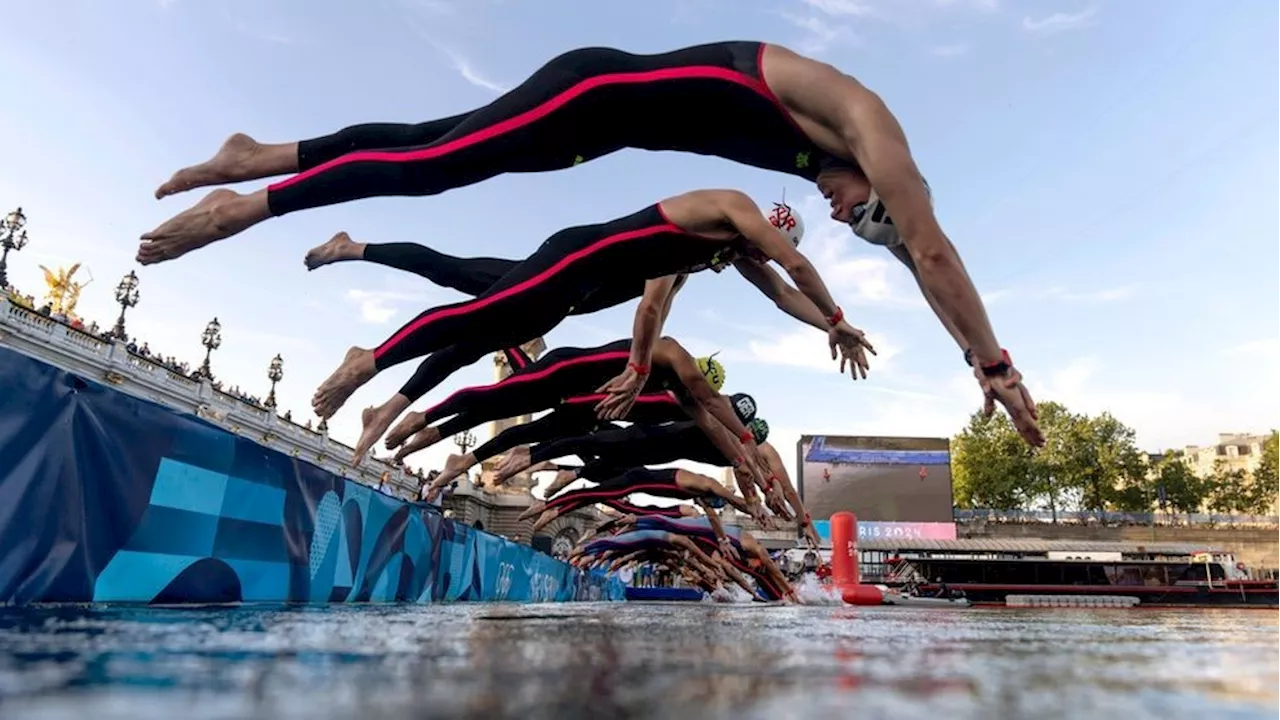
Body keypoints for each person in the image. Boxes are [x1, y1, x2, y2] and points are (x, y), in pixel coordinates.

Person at [143, 40, 1041, 445]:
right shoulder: (864, 120)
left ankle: (263, 155)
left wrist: (833, 327)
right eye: (860, 210)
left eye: (852, 220)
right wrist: (992, 365)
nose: (843, 214)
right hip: (593, 92)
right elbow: (929, 251)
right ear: (886, 183)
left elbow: (808, 278)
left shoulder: (813, 170)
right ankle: (257, 201)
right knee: (440, 162)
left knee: (436, 144)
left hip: (594, 127)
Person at [298, 190, 871, 444]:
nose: (750, 264)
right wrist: (837, 313)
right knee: (483, 316)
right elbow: (653, 306)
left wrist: (828, 327)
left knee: (464, 287)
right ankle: (368, 363)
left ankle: (356, 263)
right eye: (756, 252)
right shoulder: (729, 213)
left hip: (575, 290)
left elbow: (778, 294)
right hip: (572, 263)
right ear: (764, 234)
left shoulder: (719, 252)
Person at [370, 338, 775, 505]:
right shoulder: (661, 357)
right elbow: (648, 316)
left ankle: (462, 457)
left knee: (525, 430)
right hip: (566, 377)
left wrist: (755, 475)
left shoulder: (692, 404)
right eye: (696, 384)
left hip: (581, 409)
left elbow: (728, 439)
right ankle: (427, 418)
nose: (697, 393)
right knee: (497, 401)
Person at [519, 467, 755, 532]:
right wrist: (753, 508)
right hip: (637, 479)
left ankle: (559, 492)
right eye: (706, 503)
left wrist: (723, 541)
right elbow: (729, 496)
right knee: (595, 494)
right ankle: (549, 505)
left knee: (597, 491)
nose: (703, 506)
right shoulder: (705, 485)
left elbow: (713, 516)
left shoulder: (698, 497)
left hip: (638, 483)